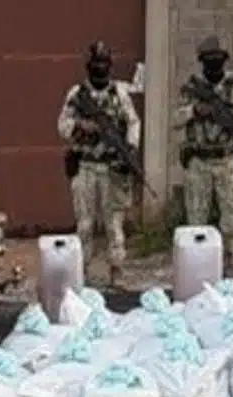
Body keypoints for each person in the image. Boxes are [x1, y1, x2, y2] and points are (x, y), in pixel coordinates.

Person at [56, 41, 142, 286]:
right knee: (85, 224)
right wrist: (81, 126)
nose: (100, 67)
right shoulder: (77, 94)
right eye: (96, 63)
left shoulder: (119, 95)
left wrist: (130, 147)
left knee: (114, 223)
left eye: (104, 63)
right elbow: (62, 126)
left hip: (110, 168)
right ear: (89, 65)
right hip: (85, 166)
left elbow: (133, 122)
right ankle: (82, 272)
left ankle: (116, 270)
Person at [173, 36, 233, 267]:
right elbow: (175, 119)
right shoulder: (192, 88)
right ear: (202, 61)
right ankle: (197, 261)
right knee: (196, 217)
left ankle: (230, 256)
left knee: (232, 215)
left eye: (218, 59)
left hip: (226, 159)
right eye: (210, 59)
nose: (214, 63)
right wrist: (195, 111)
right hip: (199, 161)